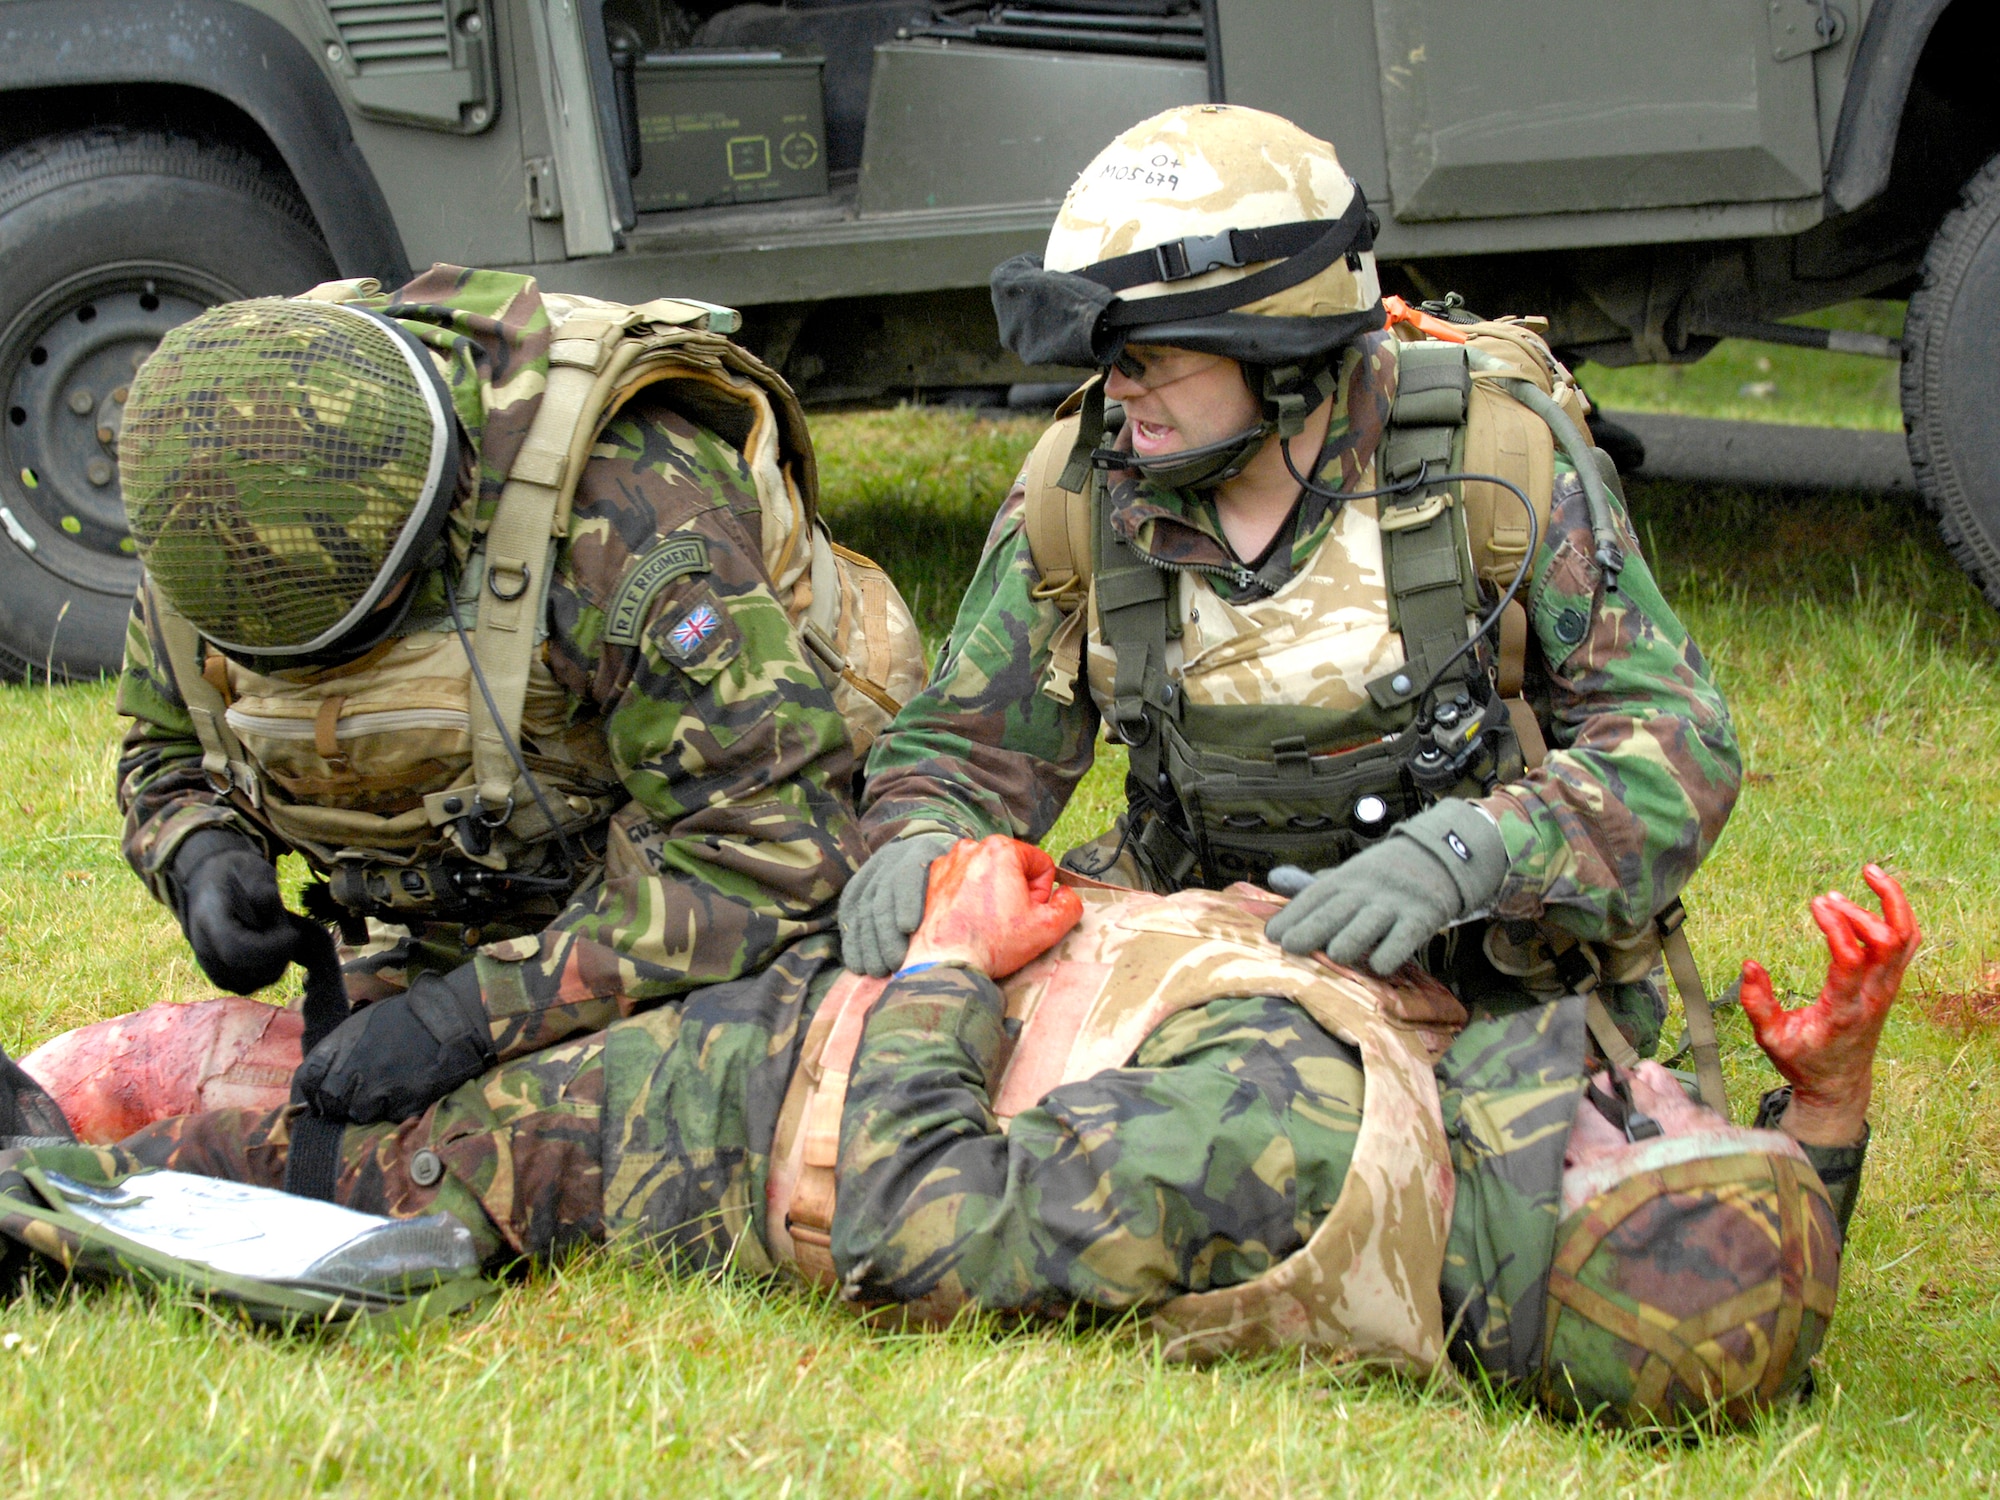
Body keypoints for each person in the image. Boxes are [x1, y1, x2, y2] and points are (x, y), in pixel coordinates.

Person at [0, 837, 1911, 1428]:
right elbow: (1738, 1319)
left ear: (1577, 1196)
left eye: (1653, 1118)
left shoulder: (1284, 1146)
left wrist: (945, 961)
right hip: (831, 1019)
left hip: (729, 1111)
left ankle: (41, 1176)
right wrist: (1826, 1099)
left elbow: (919, 1221)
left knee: (275, 1107)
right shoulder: (1516, 1229)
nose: (1650, 1077)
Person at [838, 105, 1741, 1084]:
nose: (1119, 389)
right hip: (1192, 941)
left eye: (1147, 355)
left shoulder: (1495, 462)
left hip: (1472, 966)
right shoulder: (1082, 485)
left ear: (1274, 347)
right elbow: (964, 749)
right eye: (1104, 358)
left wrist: (1467, 852)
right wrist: (920, 841)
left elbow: (1673, 747)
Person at [107, 266, 887, 1173]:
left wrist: (473, 1015)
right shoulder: (225, 528)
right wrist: (199, 852)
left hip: (676, 894)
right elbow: (165, 745)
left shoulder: (630, 519)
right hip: (469, 900)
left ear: (429, 539)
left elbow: (779, 859)